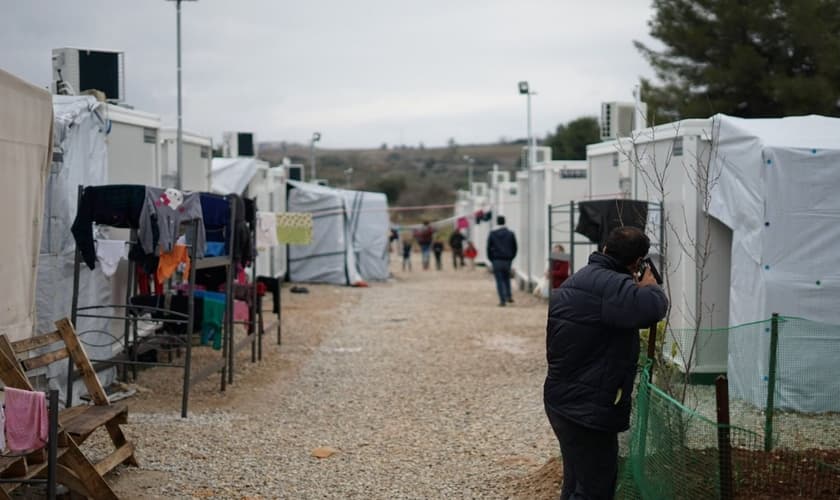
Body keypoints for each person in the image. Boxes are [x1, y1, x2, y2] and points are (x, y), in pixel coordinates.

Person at [544, 226, 668, 500]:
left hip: (560, 399)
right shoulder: (614, 287)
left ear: (605, 249)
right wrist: (651, 287)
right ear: (636, 262)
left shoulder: (578, 280)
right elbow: (652, 308)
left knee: (576, 482)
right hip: (588, 408)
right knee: (595, 488)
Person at [486, 215, 517, 306]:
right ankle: (508, 295)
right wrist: (511, 257)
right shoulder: (510, 233)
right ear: (504, 222)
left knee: (499, 280)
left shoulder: (492, 233)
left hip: (496, 259)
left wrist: (491, 259)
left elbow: (488, 248)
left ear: (497, 222)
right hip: (507, 260)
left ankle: (502, 300)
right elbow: (515, 247)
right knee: (507, 278)